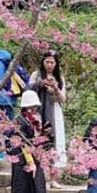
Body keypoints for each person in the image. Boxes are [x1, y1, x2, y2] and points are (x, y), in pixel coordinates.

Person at [7, 90, 49, 193]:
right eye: (31, 106)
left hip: (36, 156)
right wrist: (30, 162)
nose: (34, 108)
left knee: (37, 186)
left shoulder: (37, 119)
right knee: (20, 186)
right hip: (21, 157)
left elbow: (42, 138)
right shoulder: (19, 121)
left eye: (35, 106)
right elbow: (22, 142)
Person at [29, 49, 67, 185]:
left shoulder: (60, 79)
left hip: (54, 111)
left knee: (55, 142)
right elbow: (28, 90)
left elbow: (62, 99)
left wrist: (55, 89)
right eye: (47, 61)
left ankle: (53, 178)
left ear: (56, 64)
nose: (49, 65)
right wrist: (40, 84)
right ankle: (35, 176)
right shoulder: (36, 74)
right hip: (38, 110)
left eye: (52, 62)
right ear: (42, 62)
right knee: (37, 140)